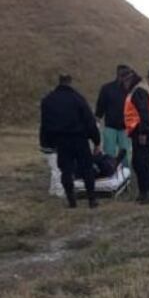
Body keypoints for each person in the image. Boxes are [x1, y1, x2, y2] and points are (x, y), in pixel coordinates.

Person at [39, 73, 101, 209]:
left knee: (65, 170)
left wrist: (46, 144)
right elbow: (89, 121)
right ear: (70, 82)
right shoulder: (78, 99)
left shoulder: (48, 100)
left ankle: (71, 200)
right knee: (87, 169)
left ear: (59, 82)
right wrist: (96, 140)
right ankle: (92, 200)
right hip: (79, 139)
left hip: (61, 141)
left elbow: (45, 124)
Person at [124, 69, 149, 203]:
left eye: (125, 80)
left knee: (142, 164)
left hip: (142, 131)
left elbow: (145, 113)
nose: (123, 83)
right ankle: (144, 192)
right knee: (139, 163)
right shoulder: (139, 89)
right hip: (139, 131)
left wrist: (143, 133)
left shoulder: (138, 91)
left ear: (130, 79)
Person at [95, 65, 134, 169]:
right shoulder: (107, 88)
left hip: (125, 127)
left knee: (125, 155)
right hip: (110, 126)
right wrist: (97, 120)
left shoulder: (131, 90)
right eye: (123, 74)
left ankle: (125, 176)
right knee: (109, 154)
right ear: (118, 75)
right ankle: (111, 175)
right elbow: (100, 106)